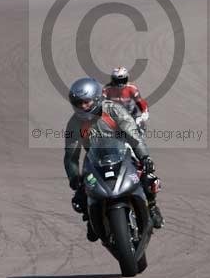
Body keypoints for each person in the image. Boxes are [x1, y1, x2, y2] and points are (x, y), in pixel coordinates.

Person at [64, 77, 164, 241]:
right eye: (79, 102)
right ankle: (91, 218)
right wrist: (74, 178)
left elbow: (133, 135)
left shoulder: (113, 110)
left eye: (87, 101)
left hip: (123, 150)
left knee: (149, 177)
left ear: (97, 98)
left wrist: (145, 157)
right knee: (79, 197)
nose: (83, 106)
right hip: (94, 159)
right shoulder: (74, 124)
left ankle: (151, 206)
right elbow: (70, 157)